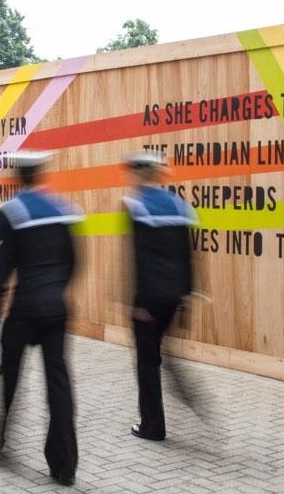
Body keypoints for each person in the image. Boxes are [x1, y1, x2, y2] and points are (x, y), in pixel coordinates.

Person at [0, 150, 81, 486]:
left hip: (25, 311)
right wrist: (56, 290)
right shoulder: (65, 210)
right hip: (57, 309)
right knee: (58, 385)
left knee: (11, 378)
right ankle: (64, 466)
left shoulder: (9, 213)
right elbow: (75, 262)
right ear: (40, 174)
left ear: (15, 176)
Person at [123, 151, 198, 441]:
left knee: (147, 361)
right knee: (162, 353)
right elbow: (189, 256)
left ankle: (153, 425)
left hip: (150, 298)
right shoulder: (179, 205)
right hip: (175, 294)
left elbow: (139, 258)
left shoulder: (135, 205)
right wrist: (186, 298)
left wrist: (139, 303)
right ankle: (185, 393)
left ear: (140, 174)